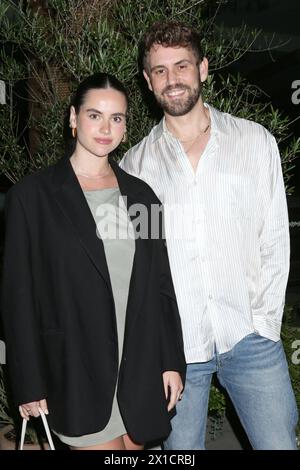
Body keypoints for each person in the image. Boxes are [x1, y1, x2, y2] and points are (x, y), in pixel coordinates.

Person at [120, 22, 299, 450]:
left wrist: (264, 324)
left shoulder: (254, 142)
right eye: (159, 71)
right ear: (147, 81)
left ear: (202, 68)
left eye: (181, 65)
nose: (172, 78)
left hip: (250, 337)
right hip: (176, 354)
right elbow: (137, 266)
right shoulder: (134, 167)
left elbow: (274, 237)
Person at [1, 72, 185, 451]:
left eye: (116, 118)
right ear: (73, 118)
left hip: (139, 372)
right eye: (94, 115)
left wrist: (172, 361)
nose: (106, 127)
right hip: (76, 371)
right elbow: (18, 298)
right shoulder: (32, 197)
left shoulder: (141, 196)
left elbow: (160, 285)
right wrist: (28, 382)